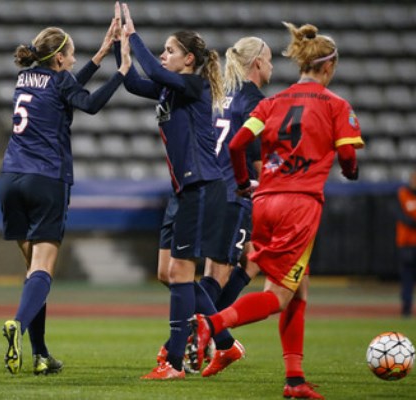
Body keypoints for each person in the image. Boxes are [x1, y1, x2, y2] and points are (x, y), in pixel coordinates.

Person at [190, 22, 363, 399]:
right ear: (328, 67)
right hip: (300, 205)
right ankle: (211, 324)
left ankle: (295, 379)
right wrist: (350, 170)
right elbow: (348, 157)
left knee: (298, 290)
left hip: (264, 202)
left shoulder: (271, 102)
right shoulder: (336, 105)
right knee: (279, 297)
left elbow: (238, 145)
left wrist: (241, 184)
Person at [0, 6, 131, 376]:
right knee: (42, 270)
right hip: (46, 179)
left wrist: (100, 55)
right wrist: (120, 72)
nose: (74, 62)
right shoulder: (60, 81)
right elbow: (85, 103)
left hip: (10, 179)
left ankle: (41, 354)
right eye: (71, 56)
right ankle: (17, 328)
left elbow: (66, 88)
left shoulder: (24, 78)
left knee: (33, 276)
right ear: (59, 58)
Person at [116, 3, 229, 380]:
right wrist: (122, 42)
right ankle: (226, 342)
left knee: (181, 273)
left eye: (170, 50)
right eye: (163, 50)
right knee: (168, 272)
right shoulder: (172, 91)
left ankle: (175, 363)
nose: (164, 56)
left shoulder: (192, 85)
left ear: (189, 59)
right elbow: (133, 81)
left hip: (200, 187)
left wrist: (134, 34)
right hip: (183, 190)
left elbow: (150, 69)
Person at [191, 36, 274, 377]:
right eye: (269, 60)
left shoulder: (221, 94)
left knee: (253, 260)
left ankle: (206, 334)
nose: (271, 66)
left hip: (211, 189)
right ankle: (212, 338)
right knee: (216, 274)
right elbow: (254, 156)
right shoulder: (253, 99)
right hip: (235, 193)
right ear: (257, 64)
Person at [396, 171, 416, 318]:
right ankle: (406, 308)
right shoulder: (402, 193)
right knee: (407, 277)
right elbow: (401, 215)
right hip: (407, 243)